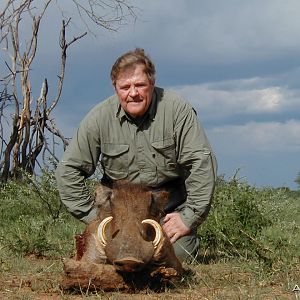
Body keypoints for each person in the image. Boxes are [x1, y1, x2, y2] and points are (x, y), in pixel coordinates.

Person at [56, 48, 217, 261]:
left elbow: (201, 163)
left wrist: (187, 218)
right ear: (115, 88)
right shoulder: (99, 117)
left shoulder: (177, 111)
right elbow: (68, 170)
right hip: (116, 212)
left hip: (163, 210)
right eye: (125, 87)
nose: (133, 93)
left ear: (151, 83)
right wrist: (95, 217)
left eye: (140, 85)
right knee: (102, 258)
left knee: (175, 256)